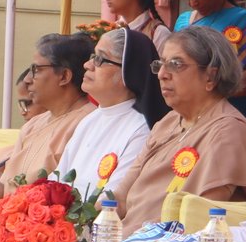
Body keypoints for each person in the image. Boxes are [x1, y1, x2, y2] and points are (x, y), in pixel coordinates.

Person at [116, 26, 246, 226]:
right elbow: (122, 195)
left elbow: (198, 217)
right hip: (127, 237)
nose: (162, 74)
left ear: (211, 77)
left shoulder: (227, 131)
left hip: (168, 241)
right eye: (160, 64)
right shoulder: (167, 122)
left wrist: (136, 239)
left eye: (176, 64)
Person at [0, 33, 97, 226]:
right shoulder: (33, 125)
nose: (27, 79)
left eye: (36, 70)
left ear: (64, 76)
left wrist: (1, 211)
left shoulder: (89, 123)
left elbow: (70, 200)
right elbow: (5, 186)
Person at [58, 28, 170, 203]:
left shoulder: (142, 129)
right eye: (93, 56)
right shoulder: (89, 120)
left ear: (128, 70)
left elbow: (113, 198)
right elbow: (57, 181)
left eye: (100, 59)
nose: (87, 65)